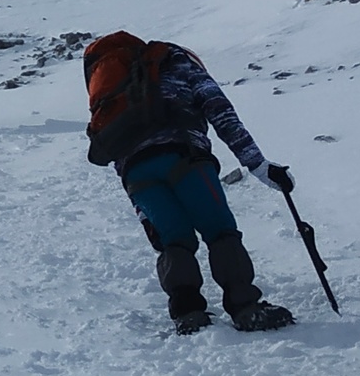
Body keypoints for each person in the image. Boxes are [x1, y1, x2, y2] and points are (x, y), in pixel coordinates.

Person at [83, 30, 297, 333]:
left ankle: (187, 314)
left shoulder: (116, 89)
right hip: (185, 157)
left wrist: (142, 210)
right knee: (219, 229)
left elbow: (113, 144)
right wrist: (258, 165)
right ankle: (245, 308)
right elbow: (220, 111)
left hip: (136, 172)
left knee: (173, 239)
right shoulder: (178, 61)